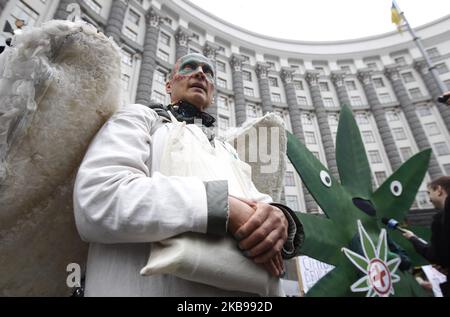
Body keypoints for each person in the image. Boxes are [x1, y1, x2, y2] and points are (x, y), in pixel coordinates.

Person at [73, 53, 302, 296]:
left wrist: (280, 219)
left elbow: (260, 205)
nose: (200, 73)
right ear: (169, 85)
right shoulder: (141, 118)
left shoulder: (229, 151)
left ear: (212, 92)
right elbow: (99, 198)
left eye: (207, 71)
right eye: (189, 67)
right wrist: (222, 207)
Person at [402, 176, 450, 297]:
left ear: (439, 190)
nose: (429, 199)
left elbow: (435, 255)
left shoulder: (440, 220)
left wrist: (413, 239)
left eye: (429, 193)